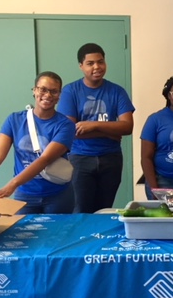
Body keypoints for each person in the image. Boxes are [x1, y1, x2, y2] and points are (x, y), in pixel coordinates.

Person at [0, 72, 75, 214]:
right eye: (43, 89)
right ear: (34, 90)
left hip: (58, 195)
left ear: (59, 95)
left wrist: (11, 185)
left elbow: (45, 159)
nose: (48, 95)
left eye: (54, 91)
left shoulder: (65, 125)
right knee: (23, 234)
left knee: (59, 234)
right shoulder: (14, 120)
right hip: (25, 194)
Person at [57, 43, 135, 213]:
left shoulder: (117, 91)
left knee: (104, 211)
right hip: (79, 159)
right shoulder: (71, 91)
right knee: (81, 210)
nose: (97, 67)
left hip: (111, 159)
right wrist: (111, 132)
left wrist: (93, 125)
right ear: (81, 66)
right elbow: (69, 132)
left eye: (100, 62)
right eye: (90, 63)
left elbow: (127, 127)